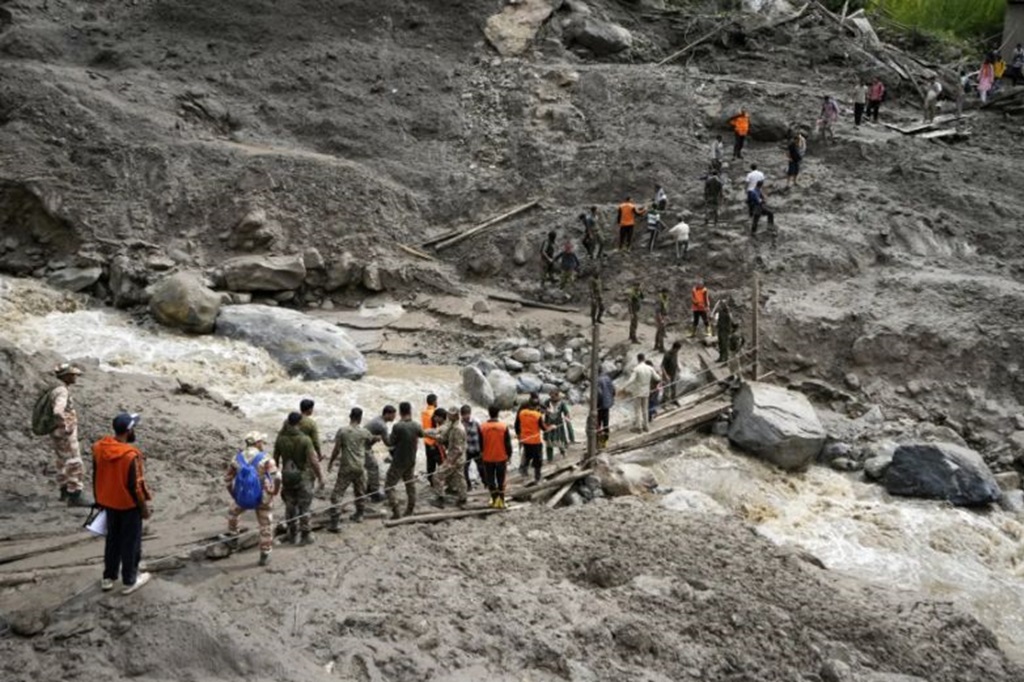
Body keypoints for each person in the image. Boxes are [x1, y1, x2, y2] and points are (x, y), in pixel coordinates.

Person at [92, 412, 152, 594]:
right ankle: (129, 579)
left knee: (112, 540)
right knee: (131, 543)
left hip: (108, 501)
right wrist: (143, 509)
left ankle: (108, 577)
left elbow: (95, 476)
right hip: (128, 505)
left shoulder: (98, 448)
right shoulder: (130, 456)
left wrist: (99, 499)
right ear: (129, 431)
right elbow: (135, 486)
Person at [226, 431, 280, 567]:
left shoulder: (236, 458)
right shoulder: (266, 458)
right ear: (257, 443)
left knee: (233, 513)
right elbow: (278, 477)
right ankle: (265, 554)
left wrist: (234, 494)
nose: (263, 443)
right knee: (265, 524)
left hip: (243, 495)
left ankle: (233, 537)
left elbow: (227, 479)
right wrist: (274, 491)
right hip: (263, 497)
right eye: (261, 441)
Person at [274, 411, 324, 545]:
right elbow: (314, 461)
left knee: (290, 506)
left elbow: (275, 460)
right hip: (303, 477)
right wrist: (320, 477)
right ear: (299, 423)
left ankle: (292, 535)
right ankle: (306, 535)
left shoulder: (280, 439)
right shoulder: (305, 440)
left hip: (287, 476)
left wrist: (275, 476)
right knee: (304, 507)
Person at [327, 408, 380, 531]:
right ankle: (359, 515)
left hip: (346, 467)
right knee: (360, 492)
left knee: (338, 494)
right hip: (360, 467)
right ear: (360, 419)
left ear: (350, 416)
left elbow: (336, 449)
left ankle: (335, 523)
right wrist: (377, 438)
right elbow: (372, 439)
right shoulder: (364, 432)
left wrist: (331, 462)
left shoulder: (343, 431)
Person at [50, 363, 88, 506]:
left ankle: (64, 491)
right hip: (65, 434)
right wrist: (68, 427)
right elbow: (58, 411)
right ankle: (75, 495)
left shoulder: (55, 389)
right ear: (65, 376)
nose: (75, 377)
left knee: (61, 461)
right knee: (74, 462)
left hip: (56, 432)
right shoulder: (62, 392)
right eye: (73, 375)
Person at [385, 402, 424, 520]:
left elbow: (390, 442)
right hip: (411, 460)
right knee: (410, 485)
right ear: (410, 411)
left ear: (400, 412)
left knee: (389, 486)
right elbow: (422, 434)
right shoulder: (416, 425)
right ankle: (410, 509)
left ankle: (396, 511)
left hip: (398, 461)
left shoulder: (398, 426)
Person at [480, 405, 513, 508]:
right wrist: (509, 454)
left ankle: (494, 499)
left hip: (487, 457)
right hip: (501, 457)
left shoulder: (482, 427)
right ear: (498, 413)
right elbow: (507, 443)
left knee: (490, 479)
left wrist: (481, 453)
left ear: (489, 413)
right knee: (501, 480)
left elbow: (480, 443)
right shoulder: (503, 427)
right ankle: (501, 501)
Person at [363, 405, 396, 502]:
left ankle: (369, 488)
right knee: (373, 467)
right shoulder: (382, 425)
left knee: (370, 467)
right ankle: (374, 493)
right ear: (387, 414)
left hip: (363, 445)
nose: (394, 417)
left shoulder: (378, 420)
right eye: (393, 415)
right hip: (363, 447)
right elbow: (388, 443)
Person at [514, 395, 550, 482]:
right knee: (537, 458)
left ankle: (523, 470)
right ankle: (537, 476)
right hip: (534, 440)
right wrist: (551, 427)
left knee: (526, 454)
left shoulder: (522, 412)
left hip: (525, 437)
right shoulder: (537, 415)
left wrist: (518, 433)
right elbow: (544, 428)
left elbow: (517, 422)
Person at [620, 354, 657, 433]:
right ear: (644, 359)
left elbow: (631, 380)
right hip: (646, 391)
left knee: (637, 410)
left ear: (638, 359)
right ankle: (646, 426)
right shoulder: (650, 368)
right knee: (645, 409)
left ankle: (639, 427)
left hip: (637, 391)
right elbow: (657, 378)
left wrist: (623, 387)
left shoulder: (636, 369)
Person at [543, 389, 572, 462]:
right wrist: (546, 411)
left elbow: (566, 413)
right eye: (551, 397)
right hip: (549, 424)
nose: (552, 398)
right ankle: (550, 459)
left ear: (557, 396)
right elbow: (541, 410)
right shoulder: (547, 402)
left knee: (559, 441)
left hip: (558, 424)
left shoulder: (562, 403)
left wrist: (567, 417)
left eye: (554, 397)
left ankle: (563, 453)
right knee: (549, 442)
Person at [461, 405, 484, 491]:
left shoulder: (476, 422)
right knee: (464, 468)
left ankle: (486, 483)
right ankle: (468, 486)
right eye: (464, 415)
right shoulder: (461, 423)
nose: (465, 417)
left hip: (477, 449)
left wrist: (483, 449)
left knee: (481, 468)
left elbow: (482, 436)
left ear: (470, 414)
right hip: (467, 449)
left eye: (467, 414)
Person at [421, 393, 441, 486]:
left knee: (430, 463)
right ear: (433, 402)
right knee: (441, 462)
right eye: (436, 400)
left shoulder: (424, 413)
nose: (437, 402)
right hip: (434, 442)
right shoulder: (434, 413)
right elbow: (436, 428)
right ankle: (441, 481)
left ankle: (431, 481)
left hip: (426, 441)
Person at [596, 371, 615, 448]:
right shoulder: (608, 379)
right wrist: (611, 399)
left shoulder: (597, 380)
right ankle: (604, 442)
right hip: (607, 404)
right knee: (606, 423)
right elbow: (613, 390)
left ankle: (598, 442)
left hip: (600, 405)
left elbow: (599, 393)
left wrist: (597, 404)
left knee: (598, 424)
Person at [661, 340, 682, 405]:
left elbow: (676, 361)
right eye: (677, 350)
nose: (677, 351)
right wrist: (666, 375)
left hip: (673, 373)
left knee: (674, 387)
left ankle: (674, 399)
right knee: (666, 388)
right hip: (667, 373)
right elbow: (662, 366)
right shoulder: (667, 354)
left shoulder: (675, 353)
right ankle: (664, 401)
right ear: (674, 348)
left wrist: (678, 367)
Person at [715, 298, 734, 363]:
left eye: (722, 305)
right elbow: (719, 320)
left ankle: (725, 358)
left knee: (724, 344)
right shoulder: (720, 312)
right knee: (720, 343)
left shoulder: (728, 313)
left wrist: (728, 331)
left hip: (725, 331)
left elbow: (730, 322)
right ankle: (721, 357)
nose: (721, 306)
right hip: (720, 329)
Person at [653, 288, 669, 352]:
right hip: (659, 316)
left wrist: (666, 316)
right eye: (666, 292)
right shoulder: (659, 300)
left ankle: (656, 345)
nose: (667, 294)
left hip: (663, 315)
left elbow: (665, 308)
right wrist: (661, 319)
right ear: (663, 293)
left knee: (659, 331)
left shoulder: (665, 298)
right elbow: (658, 311)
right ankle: (661, 348)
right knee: (661, 332)